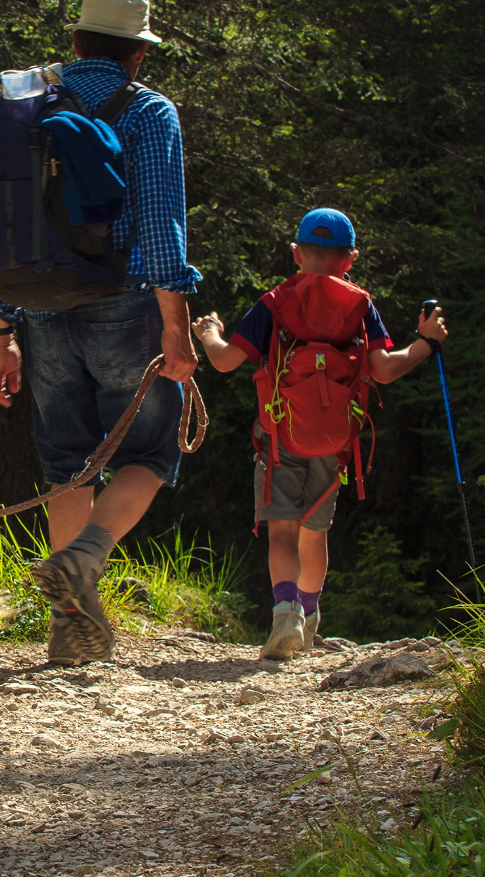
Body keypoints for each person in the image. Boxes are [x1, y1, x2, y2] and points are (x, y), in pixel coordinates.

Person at [0, 0, 200, 667]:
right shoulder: (148, 111)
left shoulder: (22, 102)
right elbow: (161, 229)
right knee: (151, 455)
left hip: (38, 308)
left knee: (68, 465)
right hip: (126, 303)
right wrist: (177, 330)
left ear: (74, 43)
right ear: (139, 55)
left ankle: (71, 629)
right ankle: (85, 559)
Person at [191, 208, 449, 659]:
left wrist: (209, 333)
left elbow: (227, 360)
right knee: (315, 533)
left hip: (279, 433)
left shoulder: (275, 301)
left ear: (296, 253)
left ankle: (285, 614)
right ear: (349, 259)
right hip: (336, 441)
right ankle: (309, 619)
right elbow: (384, 370)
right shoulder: (360, 305)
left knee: (282, 532)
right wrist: (426, 340)